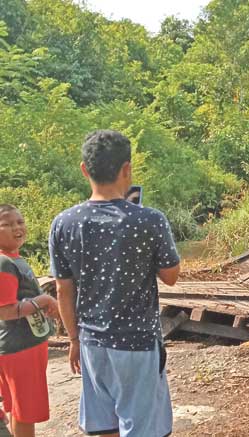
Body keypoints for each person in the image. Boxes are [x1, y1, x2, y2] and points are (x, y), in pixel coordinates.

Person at [49, 130, 181, 437]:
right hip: (137, 343)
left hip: (92, 344)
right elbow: (170, 276)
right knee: (142, 428)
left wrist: (73, 340)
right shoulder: (148, 220)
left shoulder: (64, 222)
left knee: (103, 427)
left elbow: (62, 290)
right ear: (127, 169)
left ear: (84, 169)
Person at [0, 204, 59, 437]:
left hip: (21, 345)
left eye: (19, 221)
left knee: (17, 408)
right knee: (24, 410)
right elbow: (5, 310)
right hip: (20, 347)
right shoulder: (4, 263)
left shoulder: (13, 259)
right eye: (7, 224)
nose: (17, 227)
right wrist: (43, 300)